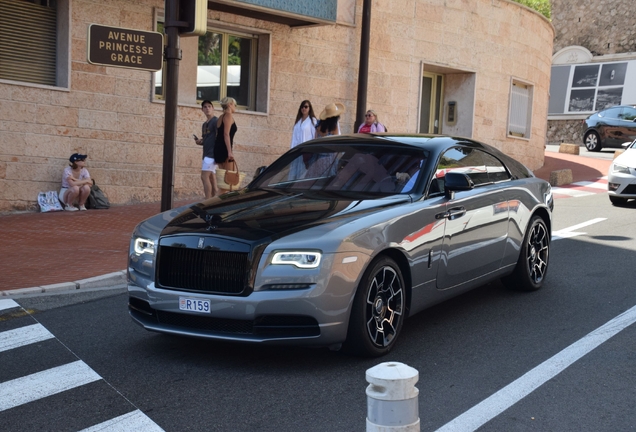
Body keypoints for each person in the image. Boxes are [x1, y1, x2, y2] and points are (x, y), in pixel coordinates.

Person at [195, 100, 219, 199]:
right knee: (212, 178)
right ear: (202, 110)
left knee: (204, 176)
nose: (207, 108)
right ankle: (215, 200)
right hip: (206, 154)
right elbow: (207, 140)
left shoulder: (216, 121)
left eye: (209, 106)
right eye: (205, 107)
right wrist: (200, 142)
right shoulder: (204, 125)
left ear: (213, 108)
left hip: (212, 154)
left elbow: (219, 137)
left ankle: (207, 200)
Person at [214, 97, 237, 168]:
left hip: (218, 148)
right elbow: (226, 134)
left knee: (223, 176)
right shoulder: (228, 116)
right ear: (230, 104)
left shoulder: (221, 117)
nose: (235, 107)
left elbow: (218, 134)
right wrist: (229, 152)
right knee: (230, 176)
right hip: (224, 149)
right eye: (234, 105)